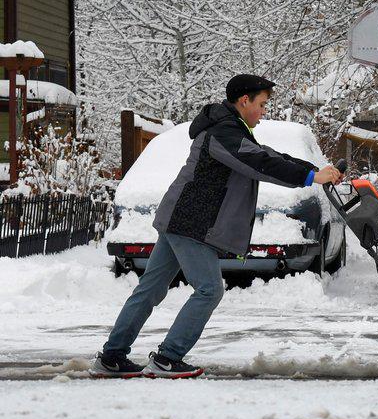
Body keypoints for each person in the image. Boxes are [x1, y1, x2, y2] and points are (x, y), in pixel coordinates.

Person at [90, 74, 343, 379]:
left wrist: (313, 170)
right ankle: (168, 358)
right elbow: (259, 162)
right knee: (209, 289)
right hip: (191, 220)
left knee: (150, 290)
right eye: (261, 104)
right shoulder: (223, 132)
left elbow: (268, 154)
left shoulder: (230, 129)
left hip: (181, 217)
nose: (264, 111)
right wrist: (311, 178)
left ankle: (112, 358)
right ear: (244, 100)